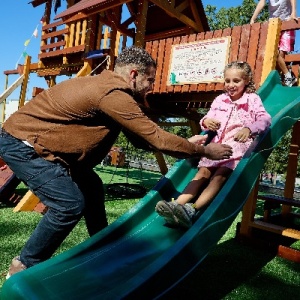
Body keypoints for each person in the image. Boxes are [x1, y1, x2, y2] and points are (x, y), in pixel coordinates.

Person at [0, 46, 233, 278]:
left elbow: (143, 139)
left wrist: (185, 143)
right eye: (149, 80)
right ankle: (24, 265)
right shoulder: (112, 94)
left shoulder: (112, 91)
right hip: (24, 145)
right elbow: (158, 139)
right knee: (68, 205)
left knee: (91, 186)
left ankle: (102, 247)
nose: (151, 87)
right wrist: (203, 151)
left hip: (42, 147)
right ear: (134, 74)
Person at [155, 61, 272, 229]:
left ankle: (191, 209)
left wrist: (249, 128)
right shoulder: (220, 100)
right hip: (216, 146)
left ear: (246, 80)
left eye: (236, 81)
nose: (231, 85)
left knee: (219, 176)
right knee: (202, 173)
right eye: (227, 81)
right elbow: (206, 119)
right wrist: (207, 121)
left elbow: (265, 119)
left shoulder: (252, 99)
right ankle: (176, 205)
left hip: (236, 147)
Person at [250, 0, 297, 87]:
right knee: (273, 50)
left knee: (281, 53)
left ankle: (285, 77)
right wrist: (253, 18)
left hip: (287, 21)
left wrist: (293, 13)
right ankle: (287, 76)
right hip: (273, 23)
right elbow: (262, 2)